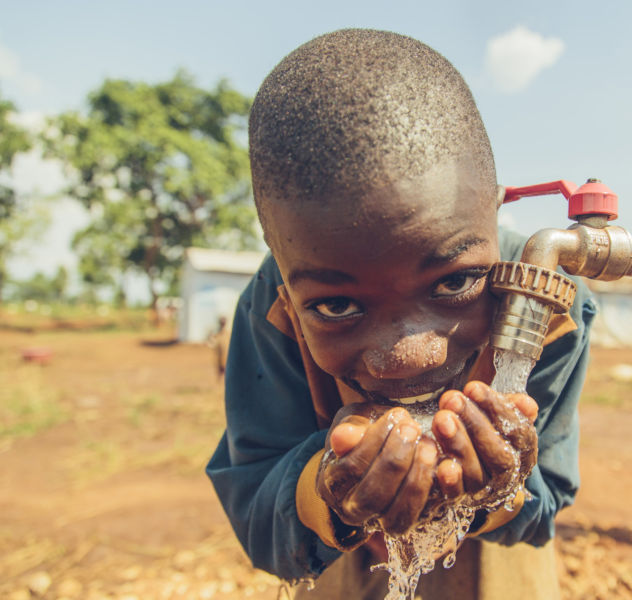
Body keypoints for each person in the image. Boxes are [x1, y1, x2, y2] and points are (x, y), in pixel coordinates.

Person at [206, 29, 595, 599]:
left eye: (456, 282)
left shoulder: (548, 302)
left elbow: (547, 498)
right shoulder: (273, 307)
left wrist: (502, 487)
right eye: (337, 307)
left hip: (493, 568)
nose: (408, 356)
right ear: (282, 259)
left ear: (493, 204)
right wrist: (328, 490)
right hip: (341, 565)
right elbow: (257, 507)